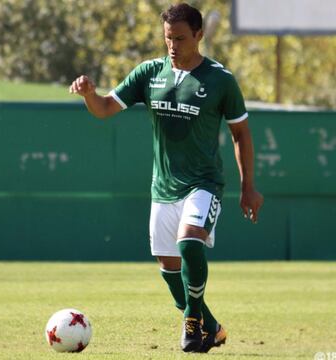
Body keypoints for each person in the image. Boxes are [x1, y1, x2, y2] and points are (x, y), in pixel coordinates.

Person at [69, 2, 264, 353]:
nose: (173, 45)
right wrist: (88, 95)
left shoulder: (221, 80)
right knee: (169, 265)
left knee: (189, 242)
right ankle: (212, 326)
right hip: (163, 187)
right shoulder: (149, 73)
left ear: (199, 36)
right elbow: (105, 109)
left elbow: (242, 135)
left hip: (204, 183)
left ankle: (191, 324)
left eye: (180, 38)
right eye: (167, 38)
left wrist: (249, 186)